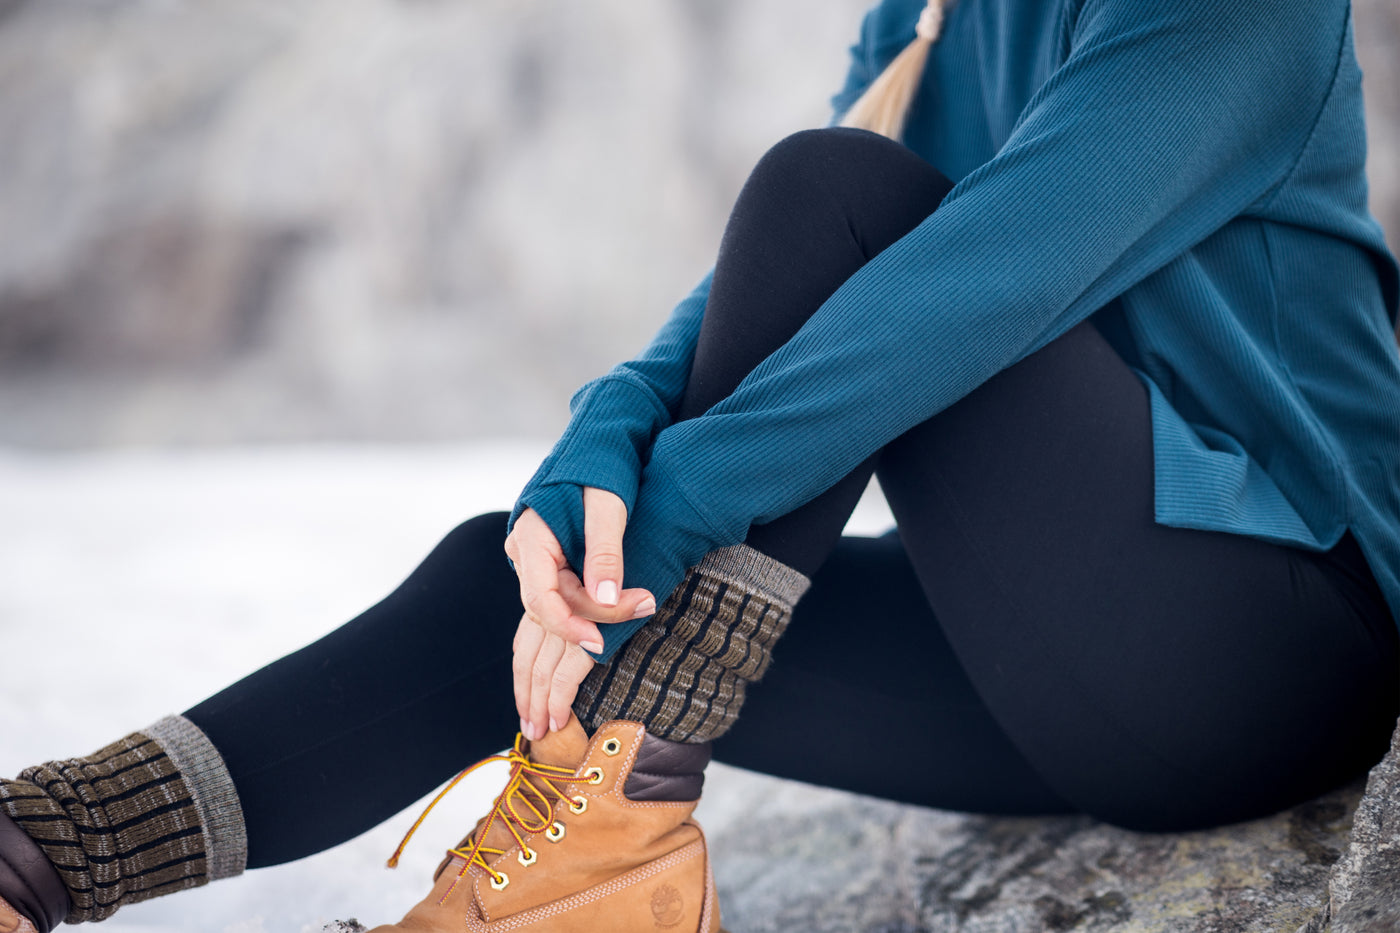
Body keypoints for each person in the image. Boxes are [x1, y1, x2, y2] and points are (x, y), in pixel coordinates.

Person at [3, 0, 1399, 930]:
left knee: (830, 194)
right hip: (1039, 663)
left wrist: (666, 521)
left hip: (1269, 640)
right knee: (516, 581)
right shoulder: (938, 12)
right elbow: (772, 290)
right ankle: (39, 853)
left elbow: (967, 287)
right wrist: (595, 457)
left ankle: (610, 856)